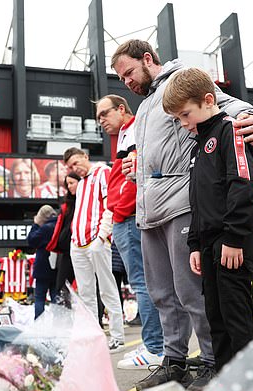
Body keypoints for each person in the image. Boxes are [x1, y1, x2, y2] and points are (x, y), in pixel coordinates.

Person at [111, 40, 253, 391]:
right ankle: (175, 361)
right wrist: (135, 164)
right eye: (121, 78)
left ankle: (216, 360)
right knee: (161, 294)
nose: (126, 82)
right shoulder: (150, 102)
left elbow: (234, 108)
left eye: (128, 73)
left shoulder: (182, 81)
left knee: (192, 293)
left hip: (182, 204)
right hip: (150, 208)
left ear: (148, 59)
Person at [162, 67, 253, 391]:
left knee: (236, 316)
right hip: (207, 243)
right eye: (177, 119)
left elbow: (243, 185)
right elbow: (197, 200)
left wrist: (233, 237)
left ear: (208, 100)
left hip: (231, 242)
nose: (183, 123)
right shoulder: (197, 147)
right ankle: (224, 379)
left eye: (185, 114)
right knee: (215, 315)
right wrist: (194, 243)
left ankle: (249, 388)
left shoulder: (231, 132)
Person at [96, 94, 165, 370]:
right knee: (145, 282)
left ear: (121, 109)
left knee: (143, 283)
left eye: (104, 114)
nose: (100, 120)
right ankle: (157, 346)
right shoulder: (125, 134)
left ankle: (154, 347)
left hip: (130, 216)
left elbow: (135, 175)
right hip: (127, 215)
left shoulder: (135, 129)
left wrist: (119, 211)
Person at [63, 147, 125, 352]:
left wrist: (102, 236)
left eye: (76, 163)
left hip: (95, 240)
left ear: (85, 157)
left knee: (107, 288)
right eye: (70, 166)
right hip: (78, 242)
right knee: (87, 293)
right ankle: (94, 336)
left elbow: (110, 206)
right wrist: (74, 239)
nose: (74, 168)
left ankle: (117, 336)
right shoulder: (81, 184)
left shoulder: (102, 172)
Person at [47, 172, 80, 302]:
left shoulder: (85, 201)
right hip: (67, 250)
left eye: (72, 183)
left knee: (88, 286)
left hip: (80, 246)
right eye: (68, 184)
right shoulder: (67, 204)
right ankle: (65, 318)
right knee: (61, 286)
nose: (70, 187)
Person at [27, 205, 58, 319]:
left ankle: (40, 327)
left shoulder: (45, 228)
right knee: (56, 298)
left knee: (40, 298)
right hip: (57, 268)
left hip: (42, 268)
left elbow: (31, 240)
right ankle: (58, 325)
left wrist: (35, 224)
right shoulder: (59, 226)